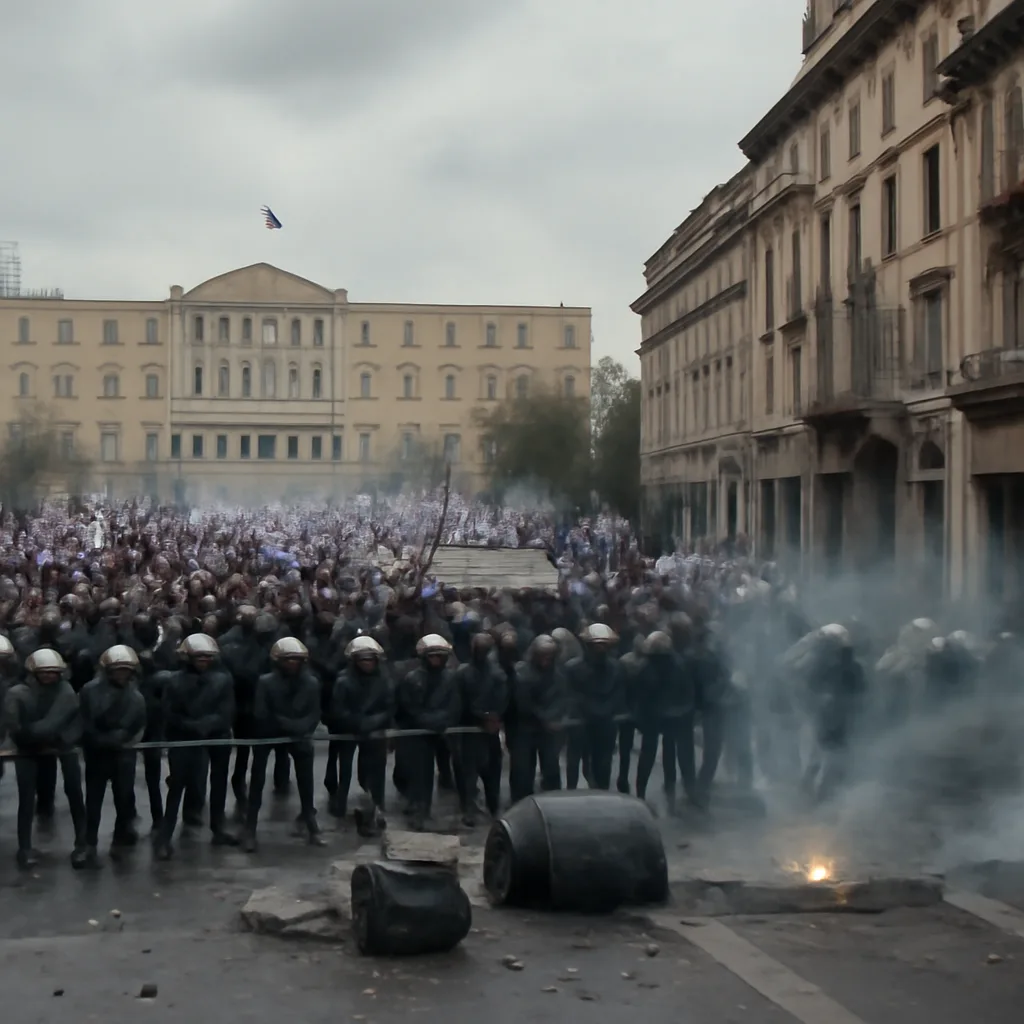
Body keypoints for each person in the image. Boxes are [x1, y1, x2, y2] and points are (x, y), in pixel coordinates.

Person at [3, 649, 88, 869]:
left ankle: (82, 842)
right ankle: (24, 847)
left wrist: (61, 739)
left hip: (61, 746)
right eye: (44, 672)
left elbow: (75, 722)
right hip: (27, 749)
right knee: (27, 798)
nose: (49, 676)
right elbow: (14, 726)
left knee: (75, 792)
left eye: (53, 672)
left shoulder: (67, 693)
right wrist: (31, 737)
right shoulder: (18, 693)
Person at [154, 633, 237, 860]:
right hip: (184, 737)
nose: (203, 661)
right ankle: (164, 837)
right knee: (177, 785)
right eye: (198, 657)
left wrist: (207, 725)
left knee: (219, 782)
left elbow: (226, 710)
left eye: (207, 657)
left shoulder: (222, 679)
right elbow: (169, 712)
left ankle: (218, 828)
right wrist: (193, 726)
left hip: (216, 735)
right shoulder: (174, 681)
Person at [241, 637, 325, 852]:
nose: (292, 664)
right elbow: (261, 714)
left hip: (299, 734)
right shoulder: (266, 682)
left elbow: (314, 713)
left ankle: (311, 823)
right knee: (258, 779)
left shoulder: (311, 683)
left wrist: (300, 728)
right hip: (270, 734)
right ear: (278, 661)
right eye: (288, 660)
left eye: (296, 660)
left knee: (306, 780)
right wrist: (290, 725)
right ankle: (250, 827)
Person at [78, 644, 148, 867]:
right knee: (93, 801)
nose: (122, 674)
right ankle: (88, 844)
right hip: (97, 753)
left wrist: (123, 739)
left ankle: (121, 837)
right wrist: (97, 740)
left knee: (124, 798)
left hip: (122, 754)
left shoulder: (135, 697)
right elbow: (84, 721)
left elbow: (137, 726)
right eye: (117, 670)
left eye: (126, 670)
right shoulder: (90, 691)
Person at [324, 635, 393, 834]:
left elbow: (389, 706)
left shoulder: (384, 680)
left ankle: (377, 806)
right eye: (363, 659)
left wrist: (373, 722)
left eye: (370, 659)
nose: (367, 663)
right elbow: (338, 709)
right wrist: (358, 723)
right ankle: (340, 803)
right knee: (344, 770)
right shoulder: (343, 681)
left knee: (376, 772)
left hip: (375, 730)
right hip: (349, 730)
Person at [394, 634, 459, 831]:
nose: (436, 660)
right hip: (416, 733)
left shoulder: (450, 678)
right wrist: (429, 721)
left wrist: (441, 721)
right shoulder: (411, 678)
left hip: (439, 731)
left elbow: (454, 705)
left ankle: (424, 809)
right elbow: (409, 708)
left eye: (439, 656)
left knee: (435, 771)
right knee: (418, 773)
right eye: (432, 656)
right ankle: (416, 809)